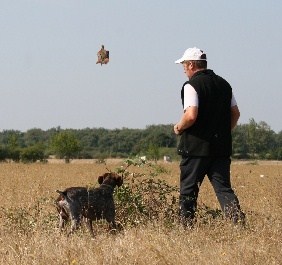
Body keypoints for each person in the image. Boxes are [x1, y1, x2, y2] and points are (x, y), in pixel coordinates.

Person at [173, 47, 245, 226]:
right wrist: (222, 132)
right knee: (223, 189)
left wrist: (179, 127)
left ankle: (186, 228)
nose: (183, 68)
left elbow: (191, 115)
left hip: (196, 149)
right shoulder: (224, 84)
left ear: (191, 64)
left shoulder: (191, 85)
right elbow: (235, 113)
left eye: (184, 65)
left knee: (188, 191)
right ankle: (238, 224)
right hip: (220, 148)